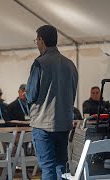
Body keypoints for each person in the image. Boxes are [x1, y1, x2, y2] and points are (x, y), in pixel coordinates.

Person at [26, 25, 78, 179]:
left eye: (36, 40)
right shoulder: (70, 64)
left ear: (41, 40)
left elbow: (30, 94)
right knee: (62, 165)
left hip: (43, 124)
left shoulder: (40, 63)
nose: (36, 43)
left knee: (48, 166)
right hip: (64, 122)